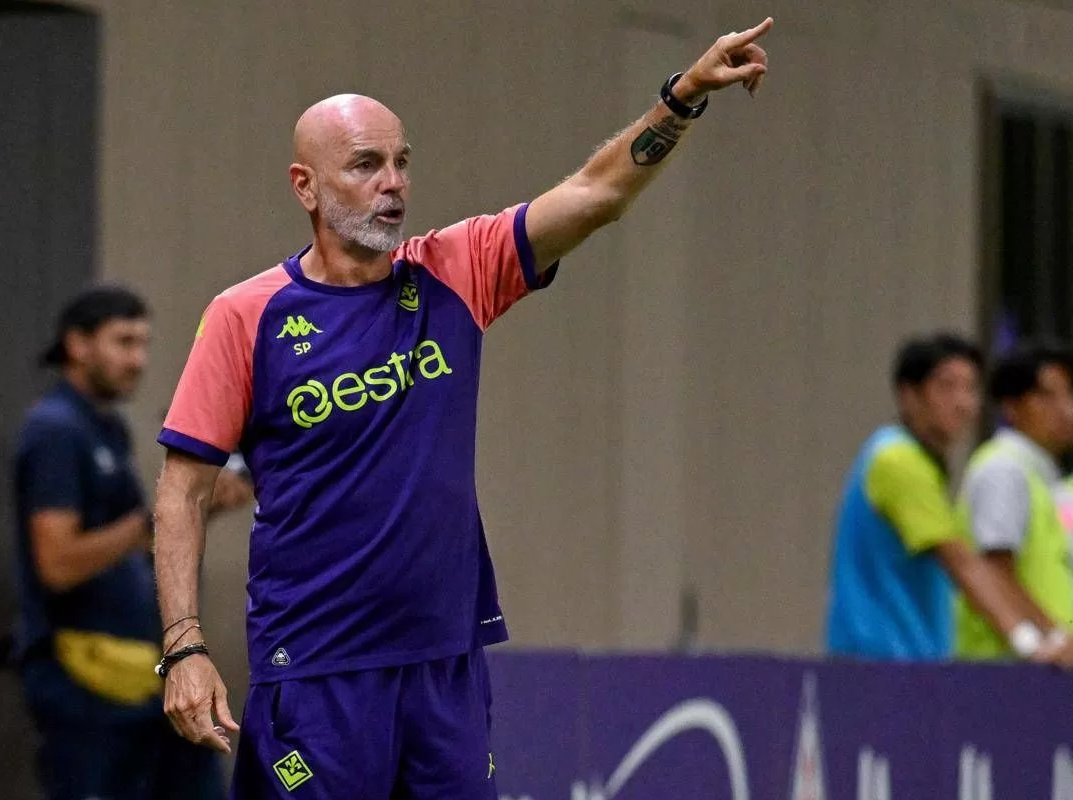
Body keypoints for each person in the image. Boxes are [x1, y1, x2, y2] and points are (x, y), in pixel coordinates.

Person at [153, 18, 773, 799]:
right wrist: (184, 646)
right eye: (366, 165)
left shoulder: (455, 269)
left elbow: (597, 194)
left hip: (444, 663)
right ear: (305, 186)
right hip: (316, 669)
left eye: (402, 162)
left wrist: (681, 98)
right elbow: (183, 490)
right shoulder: (246, 315)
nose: (393, 183)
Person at [11, 285, 252, 800]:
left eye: (143, 344)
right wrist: (156, 519)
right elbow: (58, 562)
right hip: (85, 681)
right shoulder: (56, 431)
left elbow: (130, 544)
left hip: (141, 674)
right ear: (78, 344)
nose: (138, 360)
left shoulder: (105, 426)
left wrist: (199, 506)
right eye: (123, 342)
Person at [824, 332, 1068, 663]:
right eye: (947, 387)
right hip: (878, 662)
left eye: (970, 389)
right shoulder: (897, 459)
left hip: (910, 661)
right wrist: (1032, 643)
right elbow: (961, 563)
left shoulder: (920, 463)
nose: (963, 403)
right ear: (909, 395)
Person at [955, 342, 1073, 663]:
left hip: (1047, 668)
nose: (1065, 409)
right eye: (1047, 396)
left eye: (1068, 394)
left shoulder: (1046, 478)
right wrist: (1053, 637)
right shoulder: (1004, 469)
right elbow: (995, 572)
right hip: (1005, 670)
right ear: (1012, 406)